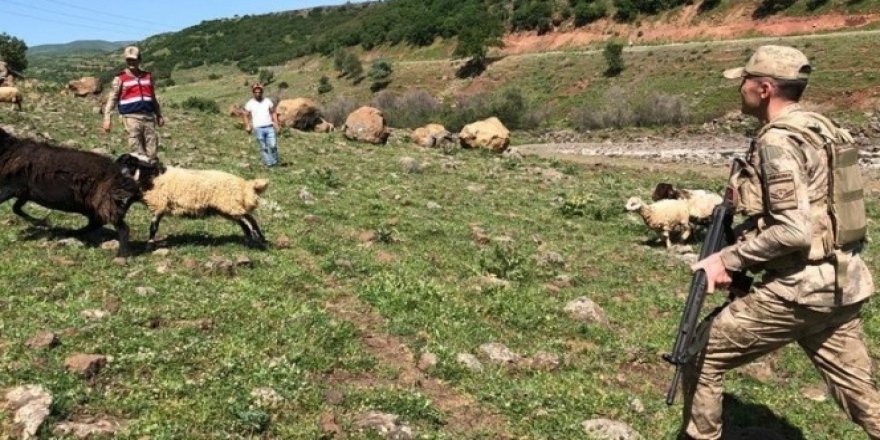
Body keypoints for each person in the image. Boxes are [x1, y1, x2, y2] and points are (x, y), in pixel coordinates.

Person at [681, 45, 879, 439]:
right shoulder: (822, 128)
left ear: (765, 88)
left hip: (800, 289)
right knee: (864, 400)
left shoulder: (778, 143)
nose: (741, 89)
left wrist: (727, 260)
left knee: (701, 353)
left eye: (745, 81)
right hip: (840, 283)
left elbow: (793, 230)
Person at [102, 46, 164, 162]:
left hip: (149, 117)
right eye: (128, 60)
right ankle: (138, 177)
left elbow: (153, 97)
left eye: (133, 59)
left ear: (139, 60)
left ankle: (151, 175)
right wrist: (107, 118)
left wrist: (159, 114)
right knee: (137, 150)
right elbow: (113, 98)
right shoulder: (120, 78)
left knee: (152, 151)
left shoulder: (147, 76)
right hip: (131, 117)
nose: (131, 62)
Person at [242, 83, 280, 167]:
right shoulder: (250, 103)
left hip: (269, 127)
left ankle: (275, 162)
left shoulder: (267, 101)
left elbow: (273, 112)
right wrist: (247, 125)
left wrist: (276, 124)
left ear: (262, 92)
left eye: (259, 92)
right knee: (264, 147)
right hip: (258, 128)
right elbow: (245, 114)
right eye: (256, 92)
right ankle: (270, 164)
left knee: (273, 145)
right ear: (253, 92)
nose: (257, 93)